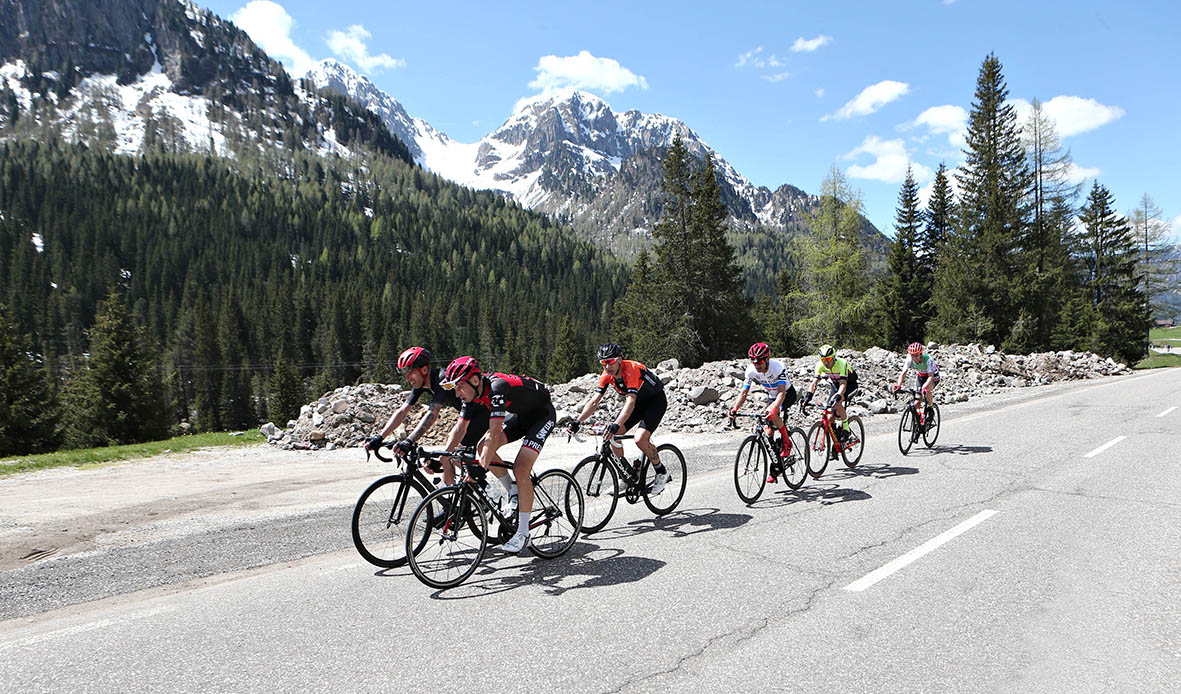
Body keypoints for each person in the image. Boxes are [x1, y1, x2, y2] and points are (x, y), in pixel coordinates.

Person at [441, 356, 556, 553]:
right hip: (520, 417)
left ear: (475, 381)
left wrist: (480, 467)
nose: (457, 393)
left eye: (459, 387)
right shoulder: (471, 394)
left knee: (521, 468)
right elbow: (460, 429)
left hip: (542, 416)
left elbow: (493, 432)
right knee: (480, 447)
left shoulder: (497, 388)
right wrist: (444, 456)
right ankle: (512, 490)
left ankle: (523, 533)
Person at [364, 347, 489, 485]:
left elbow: (432, 413)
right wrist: (379, 438)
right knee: (448, 456)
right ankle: (452, 501)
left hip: (480, 415)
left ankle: (487, 490)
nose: (407, 378)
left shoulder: (442, 379)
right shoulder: (421, 385)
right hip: (468, 416)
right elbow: (402, 411)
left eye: (410, 372)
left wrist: (409, 441)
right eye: (405, 373)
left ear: (423, 370)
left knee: (452, 455)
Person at [569, 343, 670, 495]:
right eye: (603, 362)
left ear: (620, 359)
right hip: (637, 404)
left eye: (610, 361)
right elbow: (594, 401)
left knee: (640, 439)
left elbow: (630, 401)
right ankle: (627, 476)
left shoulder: (631, 370)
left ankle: (661, 472)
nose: (607, 366)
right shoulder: (606, 375)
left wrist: (616, 424)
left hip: (655, 402)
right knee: (612, 437)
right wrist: (578, 421)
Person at [728, 342, 798, 482]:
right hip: (772, 396)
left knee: (774, 413)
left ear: (767, 359)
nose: (756, 365)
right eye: (753, 361)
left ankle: (786, 441)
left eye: (759, 361)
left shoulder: (778, 367)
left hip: (786, 395)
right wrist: (734, 408)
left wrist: (774, 408)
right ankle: (777, 464)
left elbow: (782, 393)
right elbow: (743, 393)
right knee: (768, 431)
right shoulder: (751, 371)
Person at [800, 344, 859, 441]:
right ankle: (836, 443)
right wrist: (808, 396)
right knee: (830, 416)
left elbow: (843, 385)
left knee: (838, 402)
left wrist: (838, 397)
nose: (825, 363)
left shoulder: (841, 363)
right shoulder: (820, 365)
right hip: (836, 385)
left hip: (850, 385)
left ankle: (846, 429)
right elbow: (814, 383)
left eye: (827, 359)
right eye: (823, 360)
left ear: (833, 358)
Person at [891, 342, 940, 415]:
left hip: (933, 377)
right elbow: (903, 373)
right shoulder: (909, 359)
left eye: (916, 355)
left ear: (921, 354)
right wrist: (898, 385)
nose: (914, 358)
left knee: (926, 391)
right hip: (921, 376)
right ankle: (919, 420)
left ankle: (930, 407)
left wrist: (924, 387)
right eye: (912, 356)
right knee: (917, 400)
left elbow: (930, 376)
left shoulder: (928, 359)